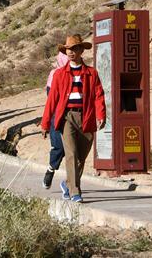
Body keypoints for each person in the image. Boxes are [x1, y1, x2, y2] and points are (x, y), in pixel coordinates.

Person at [41, 35, 106, 203]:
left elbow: (99, 96)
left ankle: (68, 183)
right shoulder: (59, 74)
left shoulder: (91, 73)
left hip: (87, 116)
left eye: (74, 49)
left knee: (81, 158)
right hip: (67, 117)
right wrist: (45, 123)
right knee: (71, 154)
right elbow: (52, 100)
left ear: (81, 51)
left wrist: (101, 115)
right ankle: (75, 191)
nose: (71, 52)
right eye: (68, 49)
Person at [42, 50, 69, 189]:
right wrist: (45, 124)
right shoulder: (54, 75)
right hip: (57, 116)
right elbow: (51, 102)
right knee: (59, 147)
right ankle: (51, 169)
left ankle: (72, 185)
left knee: (74, 151)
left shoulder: (78, 72)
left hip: (73, 116)